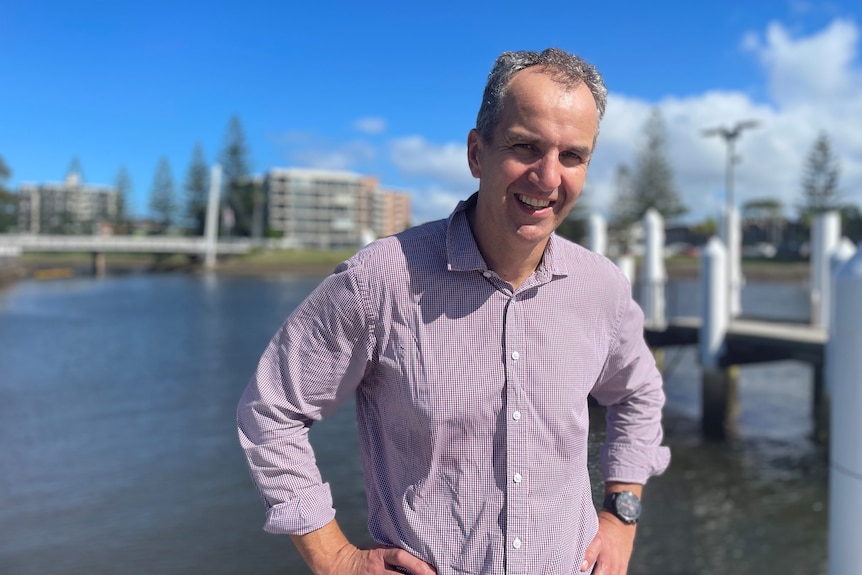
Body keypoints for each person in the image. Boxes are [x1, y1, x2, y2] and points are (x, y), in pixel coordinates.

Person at [237, 47, 670, 575]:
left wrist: (621, 517)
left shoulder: (599, 287)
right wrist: (334, 557)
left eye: (572, 156)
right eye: (525, 147)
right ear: (476, 153)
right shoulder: (379, 280)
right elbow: (273, 409)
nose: (548, 177)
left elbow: (639, 393)